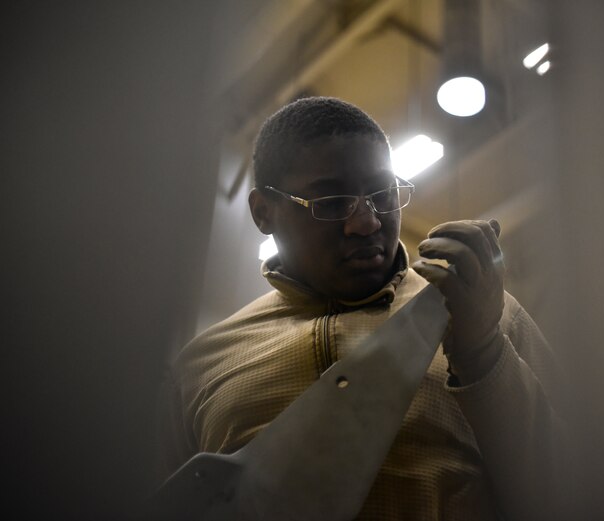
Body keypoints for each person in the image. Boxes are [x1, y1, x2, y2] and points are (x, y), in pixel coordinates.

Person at [155, 96, 568, 520]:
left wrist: (483, 351)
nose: (367, 223)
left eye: (382, 194)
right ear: (263, 213)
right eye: (331, 204)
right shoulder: (199, 369)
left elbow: (577, 492)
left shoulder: (483, 311)